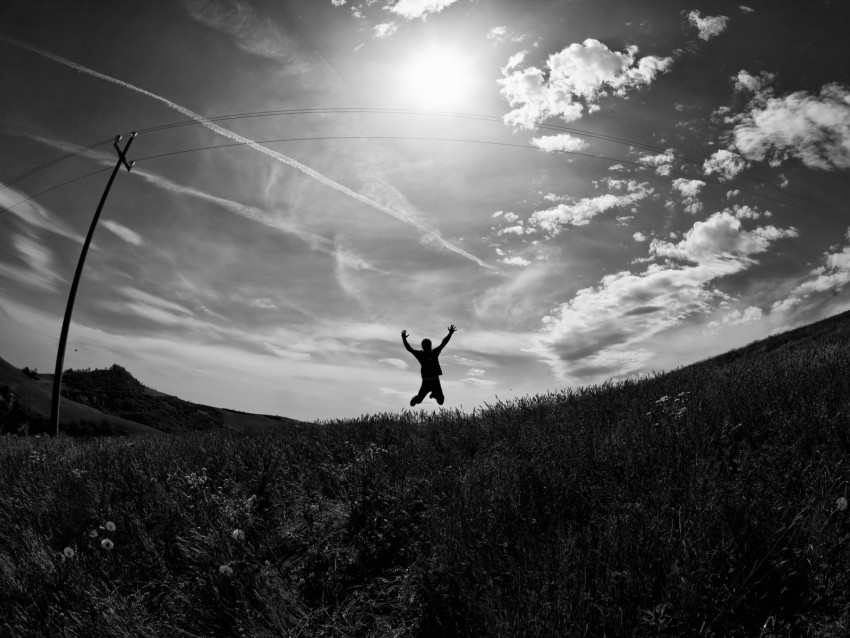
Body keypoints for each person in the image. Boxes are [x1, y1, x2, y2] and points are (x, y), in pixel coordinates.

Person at [402, 325, 456, 406]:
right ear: (430, 345)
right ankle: (434, 394)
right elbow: (443, 343)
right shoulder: (434, 352)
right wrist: (450, 333)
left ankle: (421, 397)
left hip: (425, 382)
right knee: (440, 402)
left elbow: (409, 349)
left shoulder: (420, 354)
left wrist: (404, 339)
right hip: (435, 381)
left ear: (422, 347)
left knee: (419, 400)